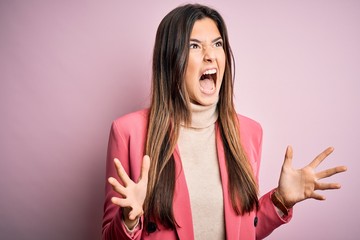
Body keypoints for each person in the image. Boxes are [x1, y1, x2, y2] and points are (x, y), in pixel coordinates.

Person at [101, 4, 347, 240]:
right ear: (170, 60)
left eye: (217, 44)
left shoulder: (249, 132)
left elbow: (245, 229)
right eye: (194, 46)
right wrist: (129, 220)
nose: (210, 56)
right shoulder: (128, 132)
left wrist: (281, 201)